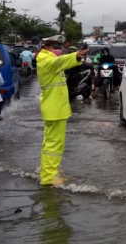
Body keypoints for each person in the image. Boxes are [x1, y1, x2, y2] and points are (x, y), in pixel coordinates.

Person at [37, 34, 88, 186]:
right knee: (53, 145)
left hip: (56, 109)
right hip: (54, 110)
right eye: (55, 47)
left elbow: (60, 62)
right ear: (47, 47)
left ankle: (49, 172)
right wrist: (76, 55)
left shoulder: (48, 59)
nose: (58, 50)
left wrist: (75, 57)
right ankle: (48, 177)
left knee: (52, 144)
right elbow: (59, 61)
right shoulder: (45, 60)